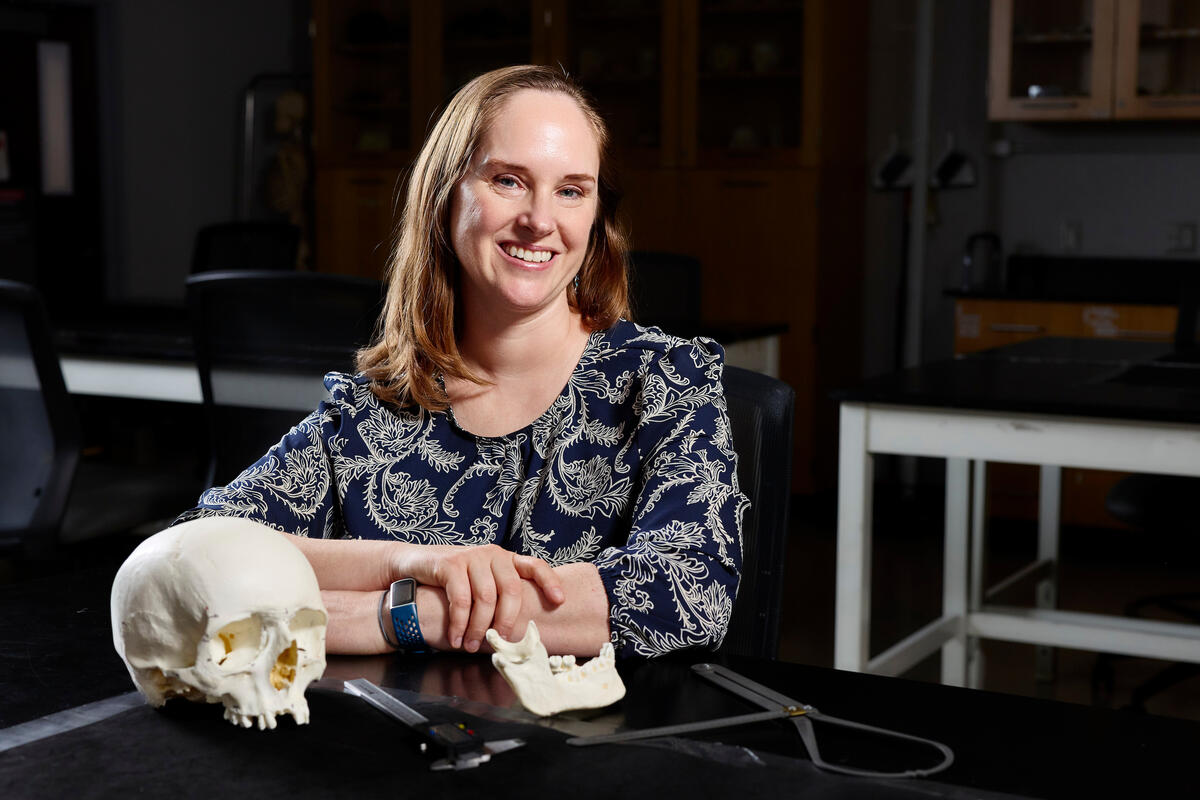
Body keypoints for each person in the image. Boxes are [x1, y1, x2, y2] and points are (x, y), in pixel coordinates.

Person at [177, 65, 747, 660]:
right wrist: (406, 561)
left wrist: (397, 614)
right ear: (445, 196)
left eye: (571, 190)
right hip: (394, 720)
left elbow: (689, 593)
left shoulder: (667, 381)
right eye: (508, 181)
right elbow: (192, 555)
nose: (540, 220)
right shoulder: (375, 407)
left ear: (597, 216)